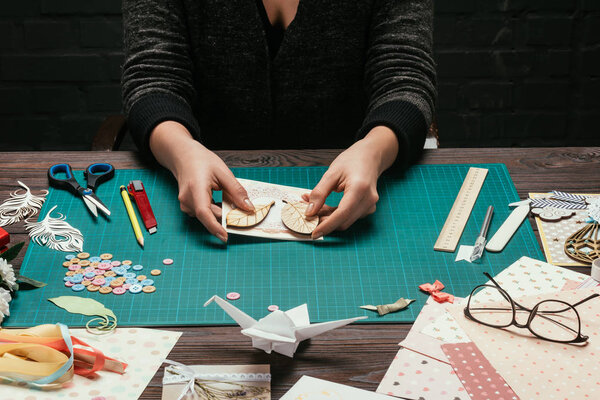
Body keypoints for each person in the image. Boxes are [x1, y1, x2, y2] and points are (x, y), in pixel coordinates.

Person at [122, 0, 436, 242]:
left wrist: (375, 150)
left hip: (348, 186)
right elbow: (153, 77)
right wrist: (181, 151)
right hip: (205, 185)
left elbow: (405, 78)